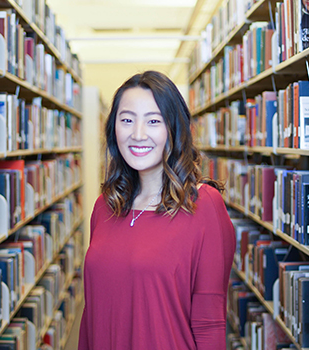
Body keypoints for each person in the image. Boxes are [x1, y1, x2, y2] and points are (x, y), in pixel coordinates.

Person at [78, 71, 236, 350]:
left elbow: (209, 324)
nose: (138, 134)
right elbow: (91, 316)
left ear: (173, 129)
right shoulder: (105, 206)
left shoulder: (203, 206)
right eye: (127, 120)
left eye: (153, 121)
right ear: (113, 129)